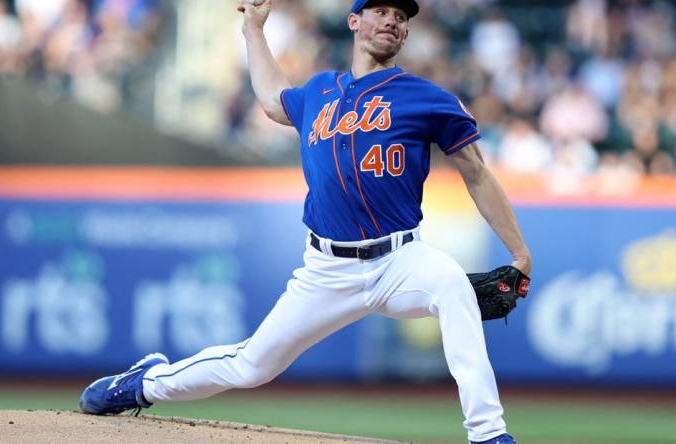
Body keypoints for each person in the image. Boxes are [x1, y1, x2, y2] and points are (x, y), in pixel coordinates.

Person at [78, 1, 531, 443]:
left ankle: (488, 434)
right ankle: (145, 383)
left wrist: (519, 252)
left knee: (452, 287)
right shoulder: (318, 91)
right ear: (354, 21)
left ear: (407, 34)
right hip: (327, 270)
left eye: (400, 17)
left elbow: (477, 173)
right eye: (381, 11)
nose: (391, 21)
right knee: (251, 366)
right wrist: (253, 31)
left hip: (400, 259)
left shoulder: (428, 99)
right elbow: (274, 102)